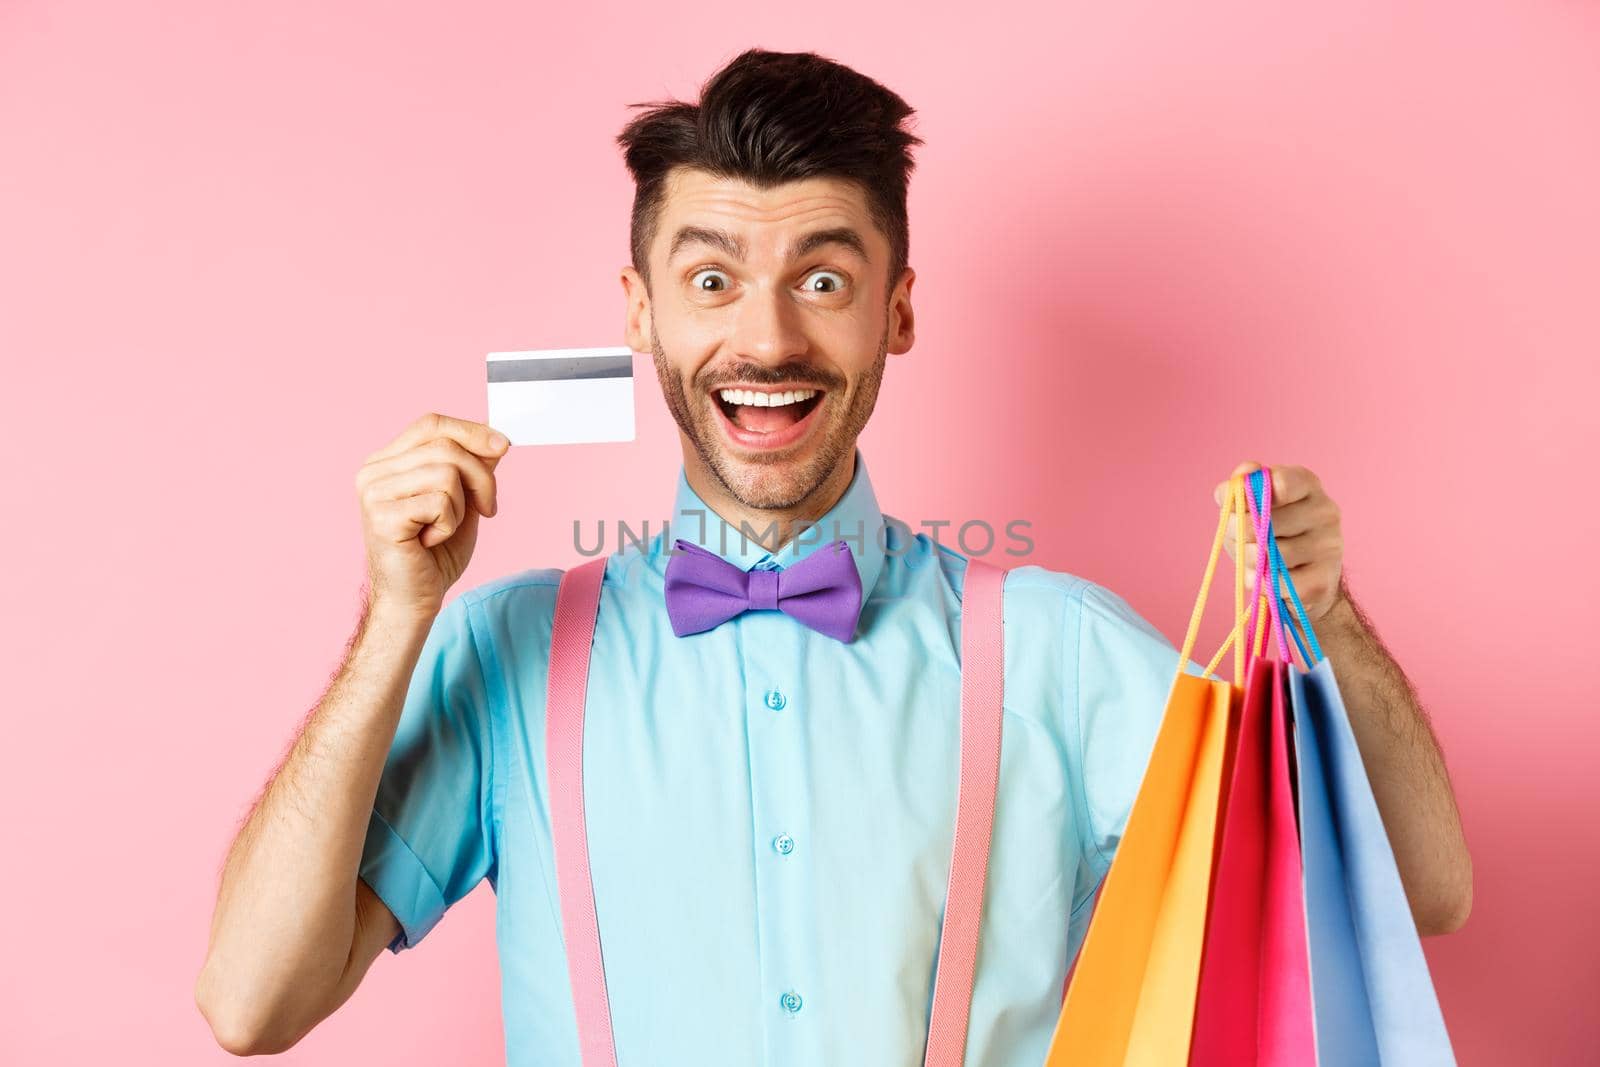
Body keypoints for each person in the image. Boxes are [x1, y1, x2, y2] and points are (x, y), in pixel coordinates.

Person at [194, 47, 1472, 1065]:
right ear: (638, 310)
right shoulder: (507, 648)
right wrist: (393, 621)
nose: (764, 337)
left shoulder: (1062, 646)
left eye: (821, 279)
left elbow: (1418, 895)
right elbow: (255, 1002)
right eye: (709, 281)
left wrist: (1330, 621)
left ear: (895, 310)